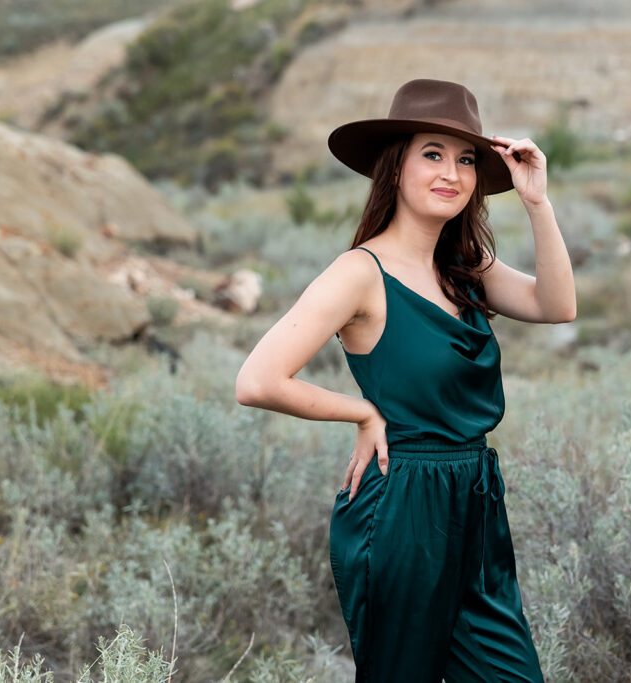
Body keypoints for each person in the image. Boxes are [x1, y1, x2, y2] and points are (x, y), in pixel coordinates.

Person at [235, 78, 576, 682]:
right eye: (433, 154)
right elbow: (258, 379)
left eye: (466, 159)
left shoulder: (466, 267)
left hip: (473, 498)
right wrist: (361, 414)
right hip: (400, 506)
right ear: (395, 168)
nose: (452, 172)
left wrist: (537, 203)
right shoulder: (359, 273)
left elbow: (556, 305)